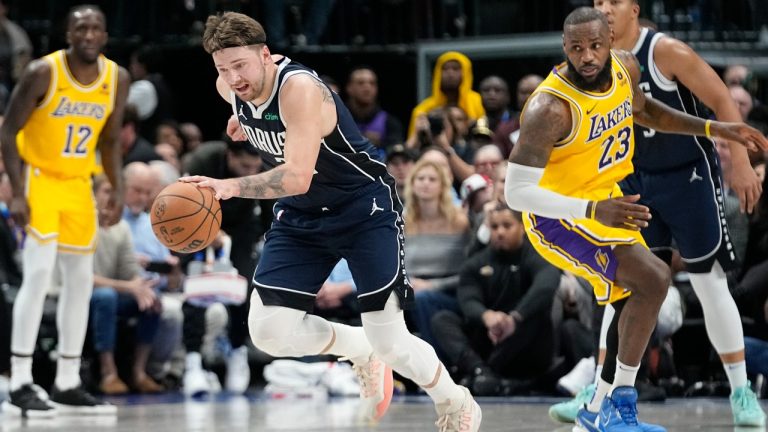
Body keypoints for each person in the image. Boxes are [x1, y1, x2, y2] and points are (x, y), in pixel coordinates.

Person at [183, 12, 481, 431]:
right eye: (222, 69)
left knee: (392, 342)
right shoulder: (230, 89)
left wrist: (228, 186)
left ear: (266, 56)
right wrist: (243, 124)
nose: (232, 78)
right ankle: (357, 347)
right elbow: (260, 122)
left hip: (363, 208)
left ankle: (455, 401)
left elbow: (297, 176)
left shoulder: (300, 89)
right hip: (303, 215)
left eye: (240, 65)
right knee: (267, 331)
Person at [504, 7, 767, 431]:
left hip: (607, 199)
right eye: (576, 49)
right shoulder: (549, 109)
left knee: (638, 291)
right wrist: (592, 210)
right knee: (651, 279)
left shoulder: (627, 66)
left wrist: (716, 130)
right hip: (559, 215)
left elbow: (646, 112)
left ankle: (603, 405)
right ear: (564, 49)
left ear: (611, 41)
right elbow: (514, 193)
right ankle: (611, 405)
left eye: (594, 46)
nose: (587, 56)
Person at [592, 0, 764, 427]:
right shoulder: (593, 57)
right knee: (623, 283)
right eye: (597, 2)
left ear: (633, 8)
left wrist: (740, 164)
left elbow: (722, 99)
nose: (604, 9)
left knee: (708, 282)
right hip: (633, 178)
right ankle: (599, 388)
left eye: (613, 2)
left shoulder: (664, 51)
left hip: (687, 176)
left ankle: (741, 391)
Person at [0, 4, 129, 417]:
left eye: (96, 28)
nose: (89, 35)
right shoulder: (44, 72)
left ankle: (68, 381)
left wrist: (118, 188)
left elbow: (109, 141)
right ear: (68, 35)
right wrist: (17, 192)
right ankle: (20, 379)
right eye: (81, 28)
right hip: (39, 178)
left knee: (80, 283)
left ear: (105, 36)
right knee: (37, 275)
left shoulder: (116, 79)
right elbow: (8, 131)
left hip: (78, 185)